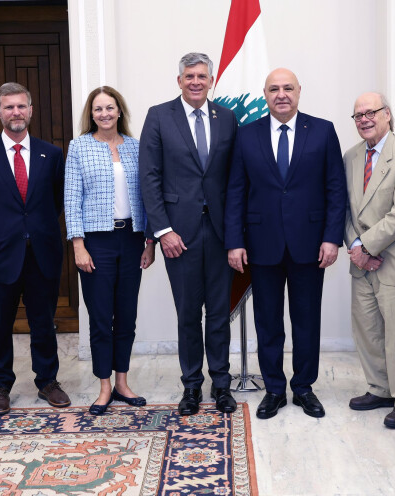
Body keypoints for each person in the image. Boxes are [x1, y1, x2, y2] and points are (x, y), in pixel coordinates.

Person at [225, 68, 347, 419]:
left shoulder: (322, 131)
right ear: (265, 94)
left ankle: (304, 387)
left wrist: (331, 237)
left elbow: (335, 188)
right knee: (268, 322)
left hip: (310, 244)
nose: (281, 94)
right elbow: (236, 191)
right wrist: (234, 241)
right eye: (274, 89)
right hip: (261, 244)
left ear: (298, 92)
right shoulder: (246, 135)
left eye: (288, 88)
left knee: (306, 320)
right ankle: (275, 389)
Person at [140, 52, 238, 416]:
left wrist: (237, 235)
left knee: (219, 314)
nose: (196, 81)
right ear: (179, 81)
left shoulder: (227, 118)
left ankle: (222, 385)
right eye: (189, 76)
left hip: (220, 233)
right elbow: (149, 177)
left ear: (211, 81)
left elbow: (234, 178)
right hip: (178, 235)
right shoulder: (159, 116)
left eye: (202, 76)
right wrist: (162, 231)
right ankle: (192, 386)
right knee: (187, 314)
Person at [0, 82, 69, 415]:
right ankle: (0, 386)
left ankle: (48, 382)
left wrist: (33, 229)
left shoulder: (51, 154)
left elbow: (56, 200)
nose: (16, 112)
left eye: (21, 106)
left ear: (31, 110)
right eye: (9, 107)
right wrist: (3, 229)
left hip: (42, 253)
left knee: (43, 322)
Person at [65, 86, 155, 415]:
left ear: (119, 112)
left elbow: (147, 196)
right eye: (98, 109)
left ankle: (122, 383)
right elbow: (71, 198)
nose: (104, 114)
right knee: (102, 318)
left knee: (126, 316)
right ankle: (104, 387)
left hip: (131, 239)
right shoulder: (79, 147)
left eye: (110, 108)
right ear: (91, 114)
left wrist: (149, 242)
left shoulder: (136, 147)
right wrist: (78, 245)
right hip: (96, 242)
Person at [344, 92, 395, 429]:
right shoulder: (351, 156)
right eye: (358, 115)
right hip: (361, 263)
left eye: (370, 112)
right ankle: (380, 389)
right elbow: (343, 208)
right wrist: (356, 247)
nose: (364, 119)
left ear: (387, 114)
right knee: (368, 331)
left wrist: (366, 246)